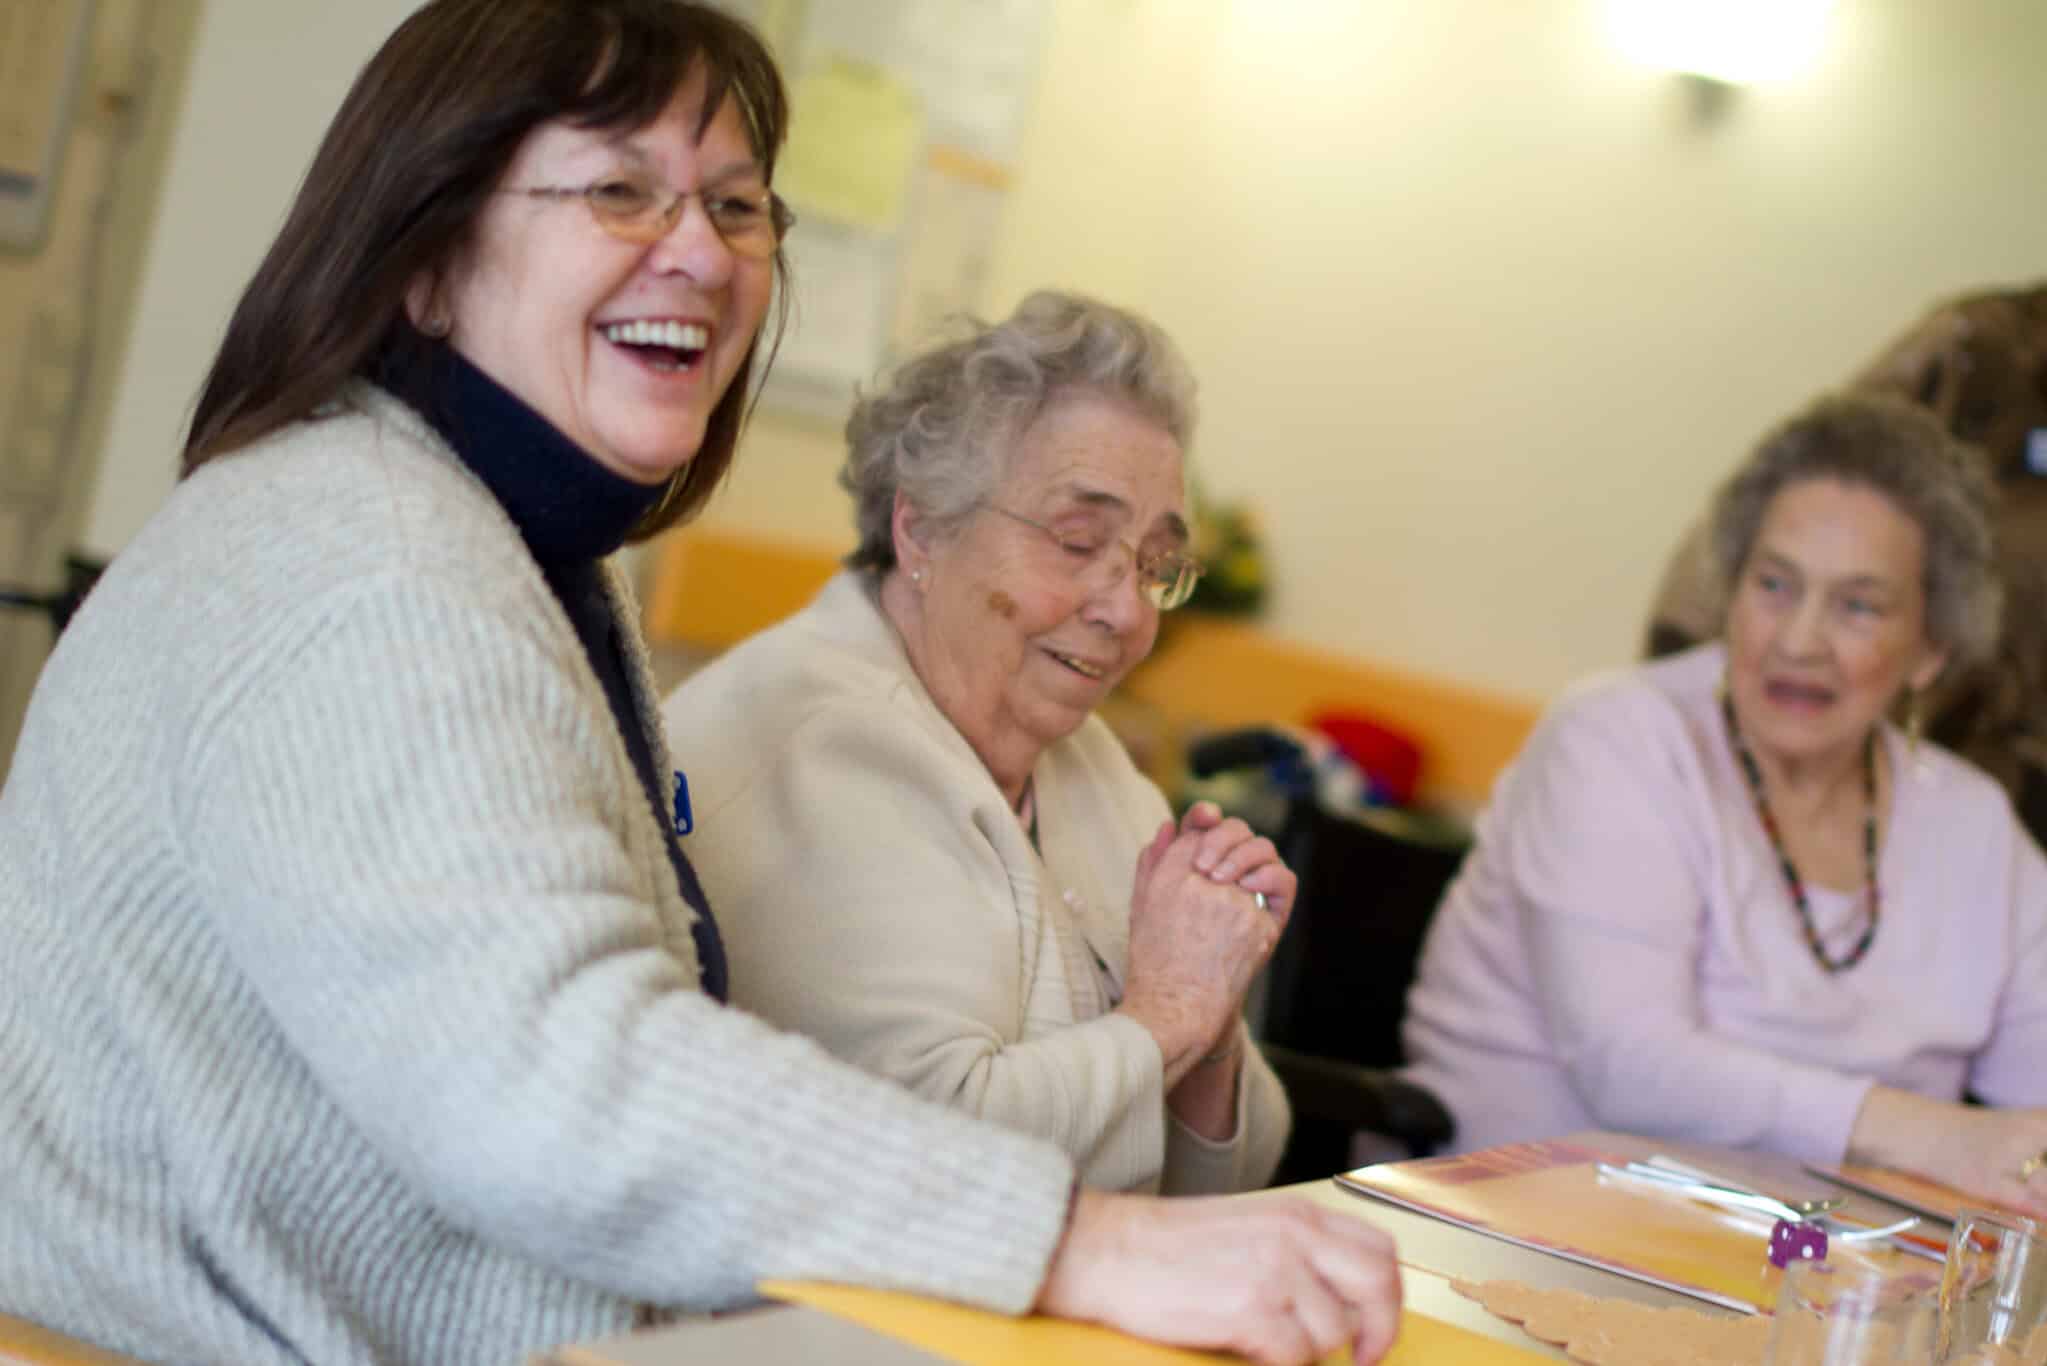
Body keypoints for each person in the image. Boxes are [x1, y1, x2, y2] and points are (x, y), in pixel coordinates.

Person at [0, 5, 1402, 1365]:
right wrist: (1075, 1240)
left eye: (736, 209)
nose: (700, 254)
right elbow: (557, 1079)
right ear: (425, 261)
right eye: (621, 192)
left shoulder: (519, 548)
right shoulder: (365, 565)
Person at [662, 293, 1291, 1195]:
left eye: (1155, 566)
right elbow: (924, 1158)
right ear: (921, 528)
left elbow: (1237, 1175)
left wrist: (1213, 1002)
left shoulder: (1088, 762)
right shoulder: (817, 740)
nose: (1125, 611)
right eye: (1076, 540)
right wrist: (1172, 1016)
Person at [1404, 394, 2047, 1217]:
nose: (1798, 641)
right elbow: (1631, 1067)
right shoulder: (1617, 738)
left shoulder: (1971, 825)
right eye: (1774, 585)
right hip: (1515, 1224)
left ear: (1929, 651)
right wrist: (1937, 1138)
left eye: (1857, 606)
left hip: (1823, 1262)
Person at [1646, 284, 2047, 841]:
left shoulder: (1979, 828)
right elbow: (1809, 491)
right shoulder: (1985, 347)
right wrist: (1680, 717)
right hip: (1890, 744)